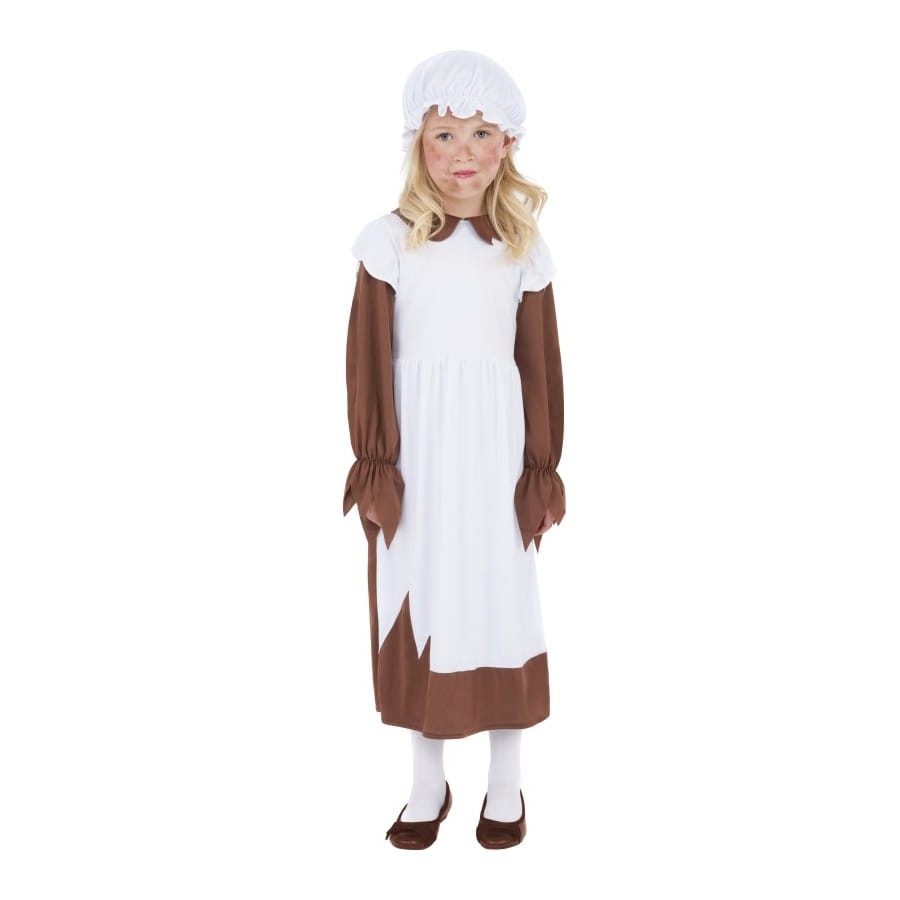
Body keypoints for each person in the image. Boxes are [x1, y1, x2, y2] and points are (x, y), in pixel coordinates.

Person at [343, 50, 565, 850]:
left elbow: (540, 369)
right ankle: (426, 780)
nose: (461, 153)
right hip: (418, 459)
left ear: (507, 145)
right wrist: (377, 465)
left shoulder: (522, 249)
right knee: (422, 595)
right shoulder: (388, 244)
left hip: (496, 458)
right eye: (443, 135)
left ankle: (506, 779)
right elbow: (367, 360)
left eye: (479, 134)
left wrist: (541, 471)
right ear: (418, 142)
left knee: (500, 600)